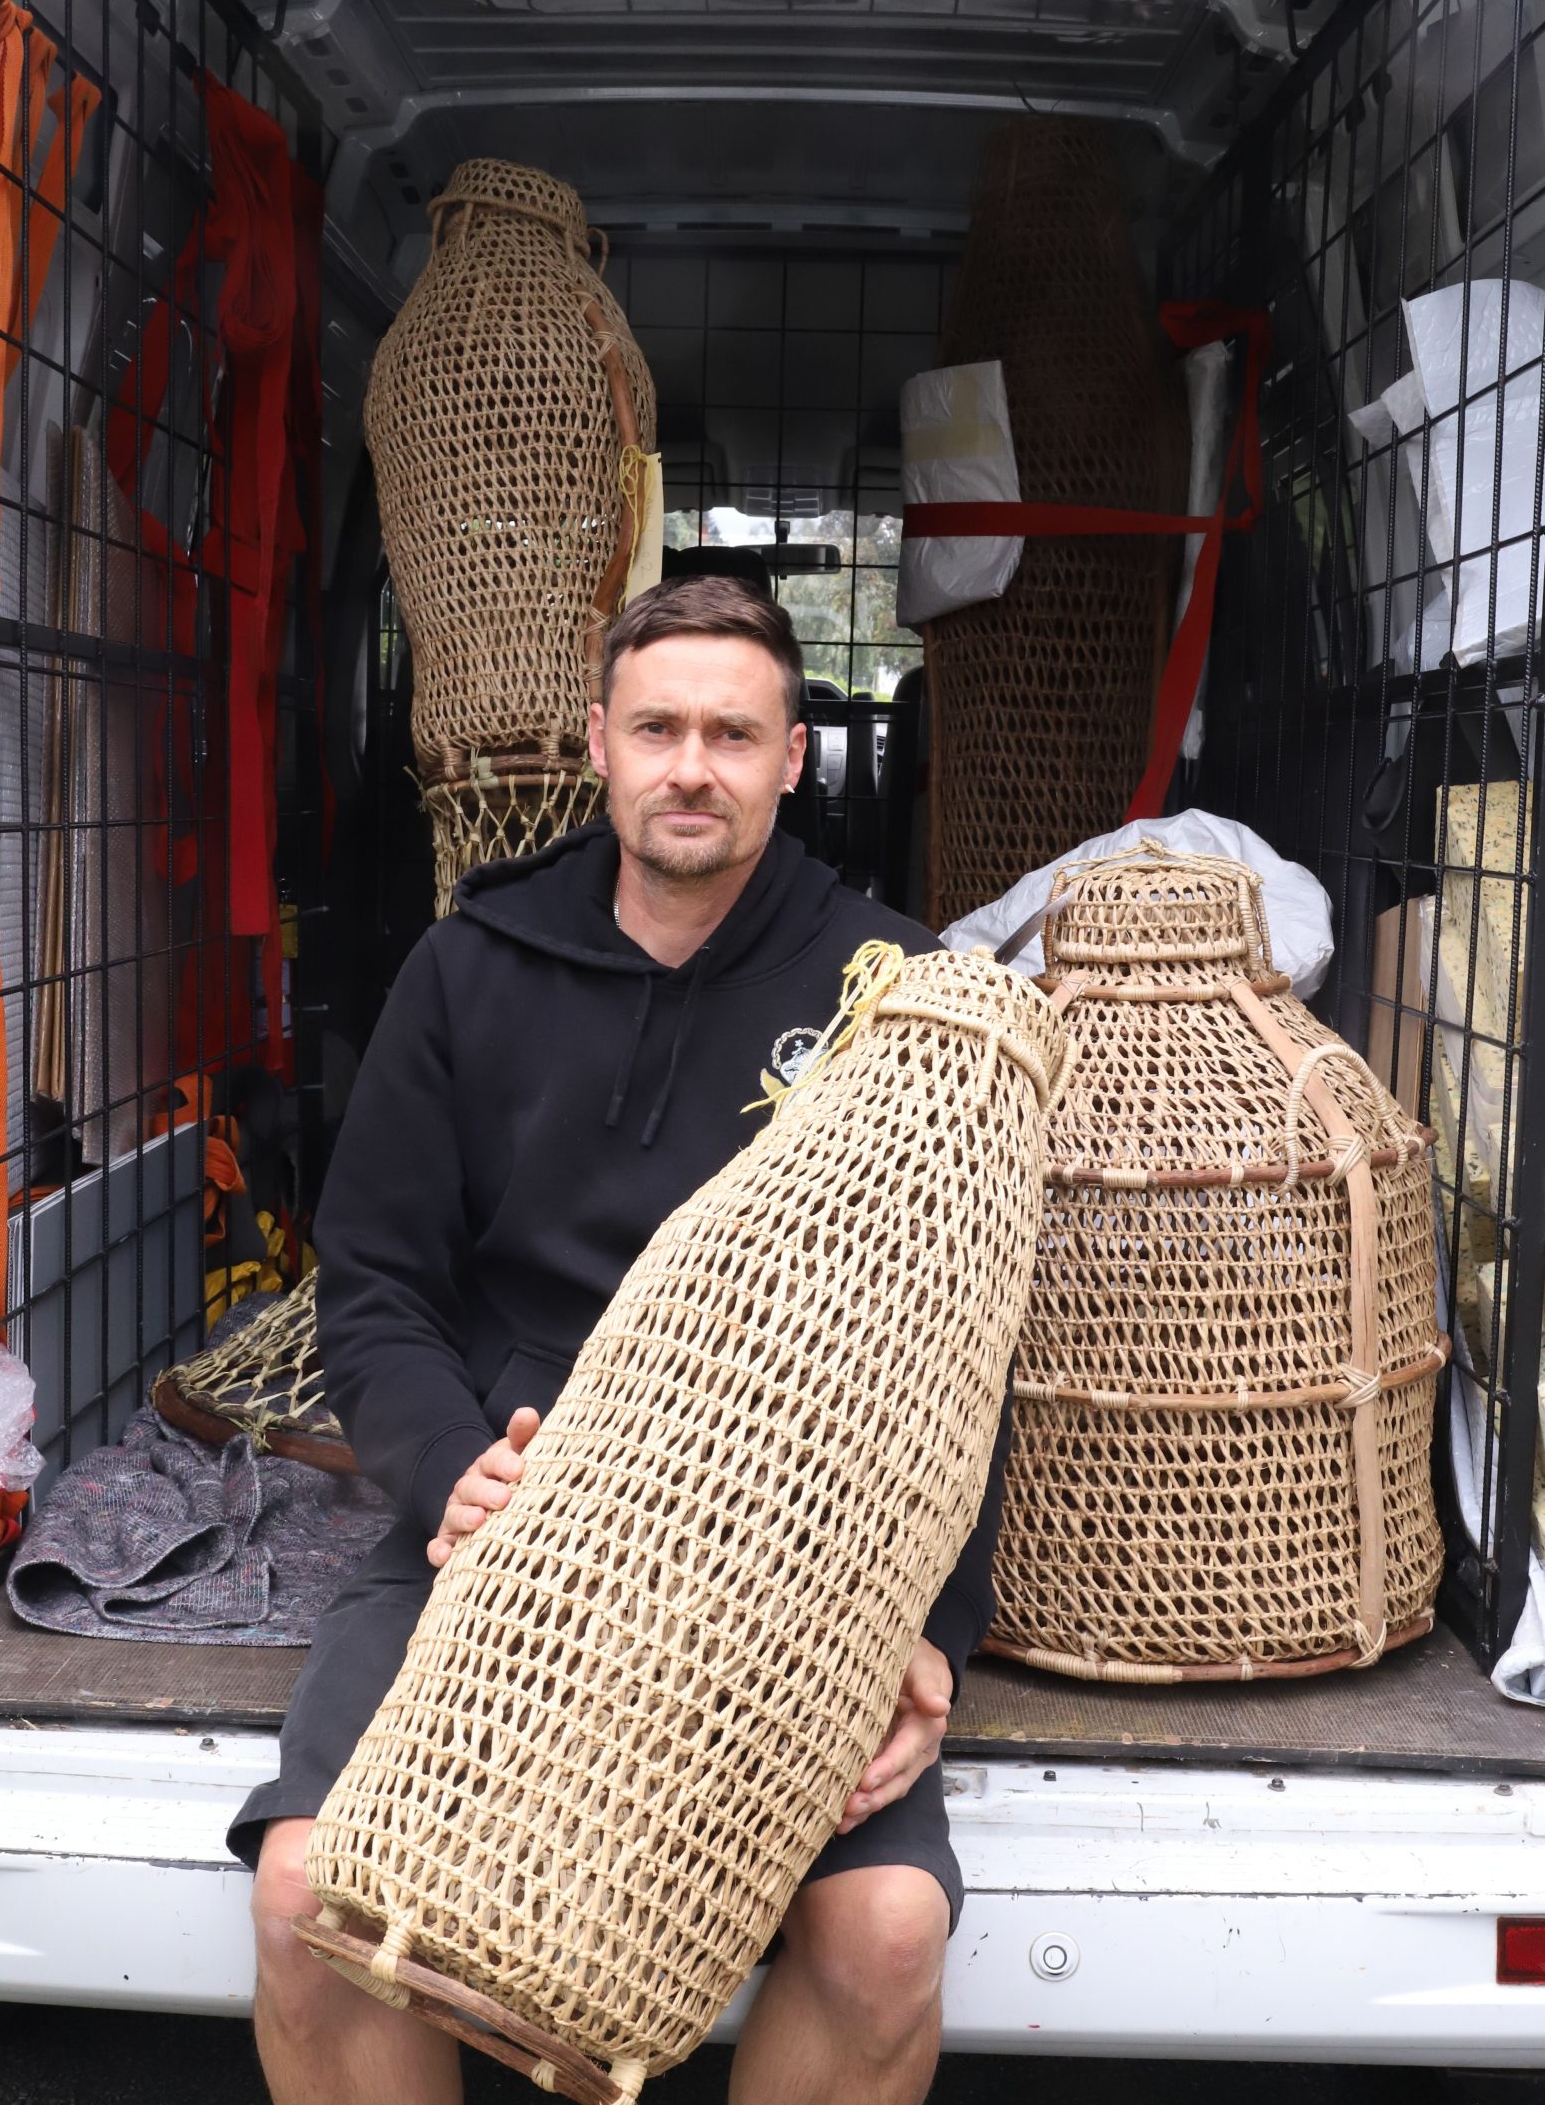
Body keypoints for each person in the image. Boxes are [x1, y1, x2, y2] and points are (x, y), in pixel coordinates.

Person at [235, 575, 1012, 2105]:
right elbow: (376, 1282)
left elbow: (961, 1353)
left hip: (792, 1558)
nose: (692, 768)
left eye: (734, 733)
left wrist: (931, 1633)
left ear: (795, 756)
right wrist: (448, 1468)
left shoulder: (901, 1000)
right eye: (658, 729)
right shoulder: (469, 967)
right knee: (307, 1901)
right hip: (507, 1521)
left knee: (884, 1935)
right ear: (600, 742)